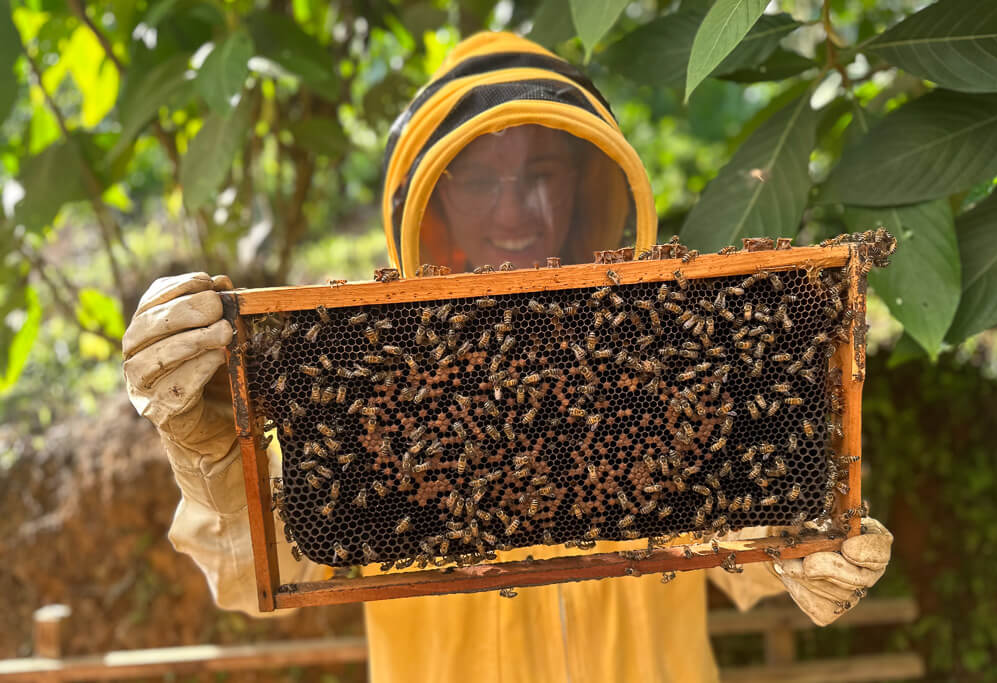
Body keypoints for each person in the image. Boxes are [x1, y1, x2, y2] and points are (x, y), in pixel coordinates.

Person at [123, 31, 893, 683]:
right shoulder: (372, 373)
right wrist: (206, 447)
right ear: (432, 198)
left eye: (541, 175)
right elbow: (249, 568)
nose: (514, 211)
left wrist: (814, 548)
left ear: (586, 183)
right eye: (480, 180)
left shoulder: (657, 351)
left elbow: (753, 516)